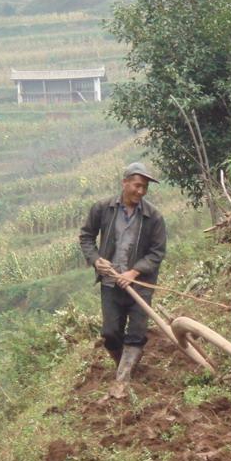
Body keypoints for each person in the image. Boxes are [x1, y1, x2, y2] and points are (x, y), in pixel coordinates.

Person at [79, 162, 167, 382]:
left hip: (140, 285)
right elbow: (86, 237)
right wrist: (96, 259)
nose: (141, 191)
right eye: (137, 185)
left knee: (136, 334)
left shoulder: (153, 217)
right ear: (125, 183)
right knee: (110, 333)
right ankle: (124, 368)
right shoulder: (102, 209)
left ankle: (123, 380)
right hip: (110, 282)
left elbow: (157, 252)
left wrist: (134, 272)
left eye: (145, 187)